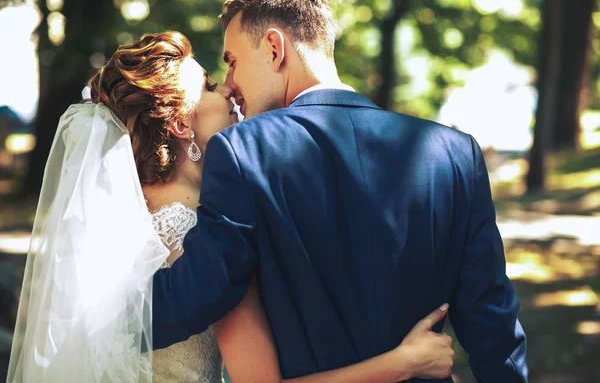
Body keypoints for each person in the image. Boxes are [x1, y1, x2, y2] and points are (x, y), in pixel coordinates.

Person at [7, 31, 454, 382]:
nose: (228, 90)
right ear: (182, 123)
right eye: (209, 85)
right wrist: (404, 362)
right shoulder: (206, 228)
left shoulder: (127, 213)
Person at [152, 0, 529, 382]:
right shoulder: (454, 154)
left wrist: (94, 314)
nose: (231, 82)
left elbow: (196, 295)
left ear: (275, 48)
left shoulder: (244, 151)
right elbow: (493, 326)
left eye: (233, 61)